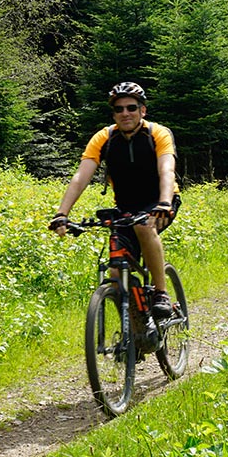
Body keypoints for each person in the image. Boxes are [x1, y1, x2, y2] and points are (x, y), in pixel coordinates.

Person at [49, 82, 179, 318]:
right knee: (117, 274)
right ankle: (135, 332)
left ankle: (161, 292)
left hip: (160, 201)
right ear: (113, 113)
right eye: (119, 109)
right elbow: (81, 177)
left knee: (144, 226)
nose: (125, 113)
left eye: (131, 107)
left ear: (143, 110)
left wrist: (165, 203)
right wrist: (62, 213)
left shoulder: (157, 133)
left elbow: (167, 169)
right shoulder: (104, 138)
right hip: (126, 206)